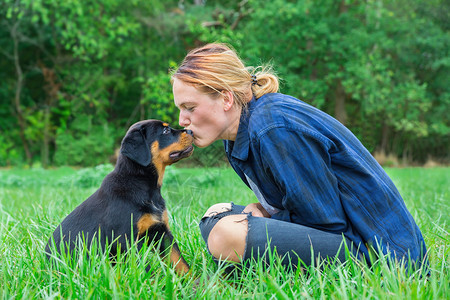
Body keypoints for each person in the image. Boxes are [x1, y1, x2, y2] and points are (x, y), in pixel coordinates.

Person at [171, 43, 427, 270]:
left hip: (378, 250)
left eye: (190, 108)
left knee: (226, 234)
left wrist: (265, 217)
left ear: (226, 98)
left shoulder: (273, 127)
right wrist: (262, 213)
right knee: (215, 215)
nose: (183, 120)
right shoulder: (236, 133)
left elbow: (327, 221)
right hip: (340, 234)